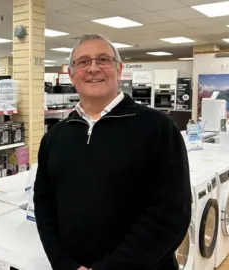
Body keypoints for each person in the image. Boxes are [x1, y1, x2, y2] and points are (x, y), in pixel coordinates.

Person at [33, 33, 192, 270]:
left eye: (103, 59)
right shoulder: (56, 136)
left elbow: (170, 213)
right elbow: (44, 205)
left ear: (119, 70)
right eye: (83, 61)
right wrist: (62, 263)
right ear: (71, 74)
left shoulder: (158, 128)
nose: (93, 68)